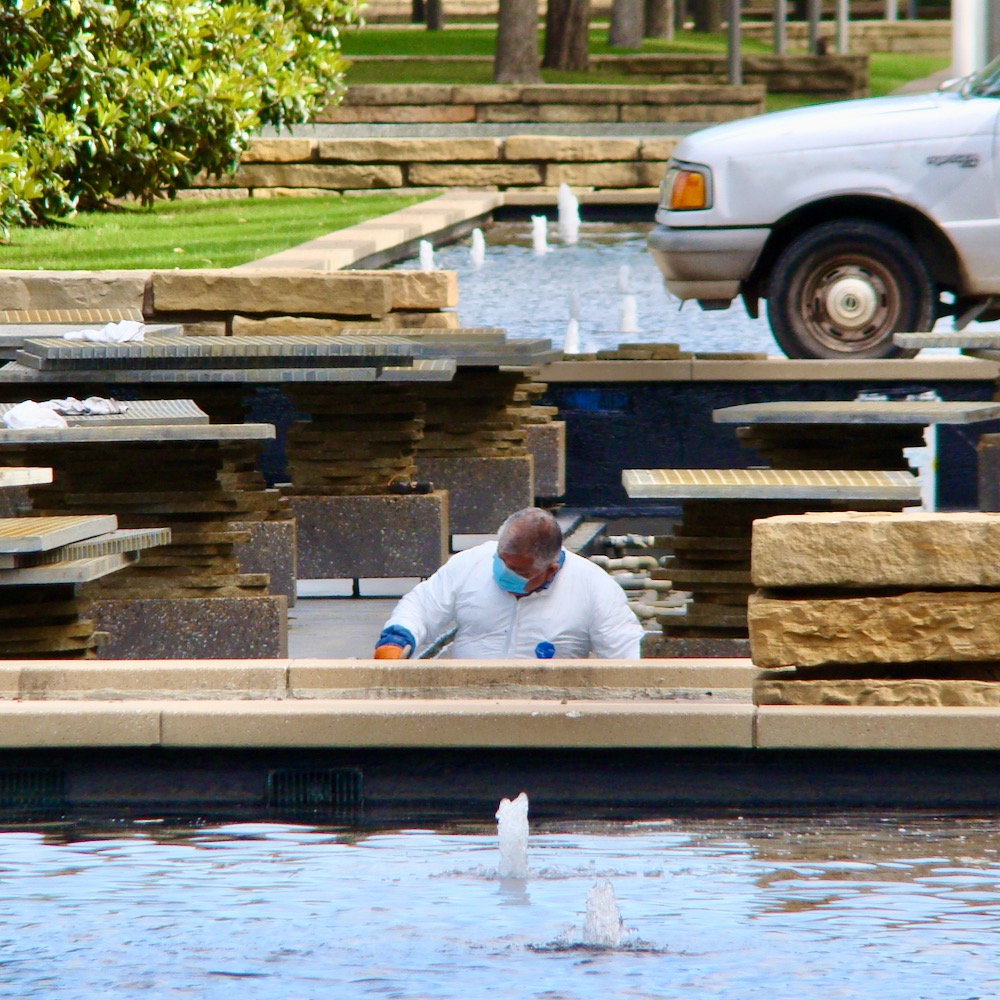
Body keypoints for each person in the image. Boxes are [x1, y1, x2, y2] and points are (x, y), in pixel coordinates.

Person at [373, 507, 643, 660]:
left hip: (550, 720)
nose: (504, 571)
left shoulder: (594, 587)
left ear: (551, 570)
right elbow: (422, 606)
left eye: (517, 569)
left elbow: (626, 660)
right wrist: (398, 638)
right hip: (467, 710)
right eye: (501, 560)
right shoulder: (470, 564)